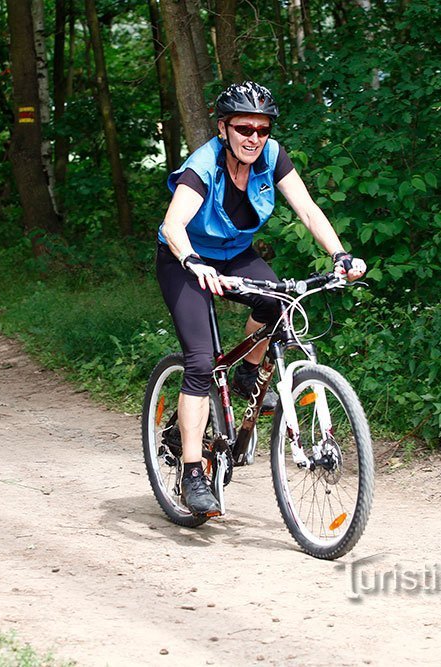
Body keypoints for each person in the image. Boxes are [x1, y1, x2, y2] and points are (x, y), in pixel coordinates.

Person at [156, 81, 366, 516]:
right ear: (223, 129)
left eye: (262, 128)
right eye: (244, 128)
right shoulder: (204, 165)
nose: (254, 137)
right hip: (185, 260)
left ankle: (246, 377)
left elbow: (307, 209)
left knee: (276, 304)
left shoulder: (272, 157)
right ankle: (194, 473)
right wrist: (194, 262)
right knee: (200, 361)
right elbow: (174, 225)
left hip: (234, 255)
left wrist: (340, 254)